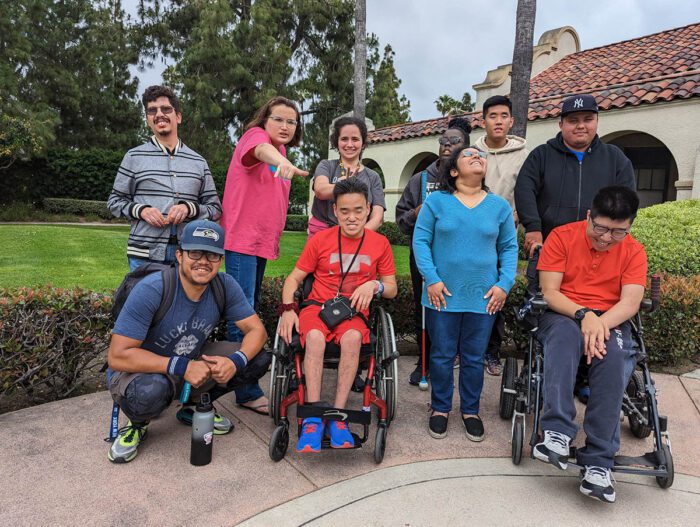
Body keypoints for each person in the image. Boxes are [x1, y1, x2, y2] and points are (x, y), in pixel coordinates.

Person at [106, 220, 270, 463]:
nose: (203, 261)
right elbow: (118, 355)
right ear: (180, 255)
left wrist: (236, 361)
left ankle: (193, 407)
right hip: (141, 371)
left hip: (191, 360)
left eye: (212, 255)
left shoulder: (224, 286)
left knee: (258, 357)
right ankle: (137, 423)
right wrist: (183, 367)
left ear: (220, 260)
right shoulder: (154, 289)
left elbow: (257, 330)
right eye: (195, 252)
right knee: (149, 392)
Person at [514, 93, 636, 403]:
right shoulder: (542, 156)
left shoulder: (615, 159)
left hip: (600, 248)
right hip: (552, 249)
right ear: (561, 124)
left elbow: (625, 202)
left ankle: (586, 377)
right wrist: (534, 228)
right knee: (549, 314)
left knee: (597, 312)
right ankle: (547, 373)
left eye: (587, 119)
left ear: (596, 121)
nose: (580, 126)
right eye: (573, 120)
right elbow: (525, 189)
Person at [533, 186, 647, 504]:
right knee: (565, 338)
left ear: (630, 226)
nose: (607, 238)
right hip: (564, 312)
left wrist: (599, 322)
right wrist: (584, 315)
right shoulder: (561, 236)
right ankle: (556, 430)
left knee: (614, 357)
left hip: (610, 319)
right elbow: (550, 291)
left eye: (618, 232)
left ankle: (598, 461)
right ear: (589, 216)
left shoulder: (634, 251)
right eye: (600, 228)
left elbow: (631, 301)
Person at [278, 179, 397, 453]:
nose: (352, 217)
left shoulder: (380, 243)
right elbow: (294, 279)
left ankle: (339, 416)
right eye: (345, 211)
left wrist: (374, 284)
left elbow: (391, 289)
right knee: (316, 339)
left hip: (353, 312)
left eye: (358, 210)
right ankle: (313, 417)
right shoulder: (320, 240)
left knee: (354, 338)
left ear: (368, 209)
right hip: (317, 308)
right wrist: (287, 309)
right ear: (334, 211)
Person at [413, 145, 518, 442]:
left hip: (484, 296)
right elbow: (421, 242)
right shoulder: (437, 203)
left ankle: (470, 411)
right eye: (469, 155)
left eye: (480, 156)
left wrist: (504, 284)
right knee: (443, 354)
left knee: (473, 357)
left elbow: (509, 248)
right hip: (440, 294)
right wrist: (431, 279)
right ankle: (441, 408)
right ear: (454, 170)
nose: (478, 157)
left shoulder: (498, 207)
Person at [219, 96, 309, 414]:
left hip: (258, 245)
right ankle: (244, 388)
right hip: (242, 242)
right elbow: (260, 151)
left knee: (249, 307)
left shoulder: (282, 151)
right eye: (279, 119)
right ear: (265, 120)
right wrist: (279, 161)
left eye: (291, 121)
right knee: (241, 314)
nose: (285, 126)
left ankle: (236, 378)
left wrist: (281, 159)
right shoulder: (255, 138)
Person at [108, 85, 221, 271]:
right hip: (143, 255)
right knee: (146, 301)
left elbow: (215, 208)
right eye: (152, 111)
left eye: (166, 109)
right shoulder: (133, 157)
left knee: (182, 301)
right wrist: (141, 210)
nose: (159, 114)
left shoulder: (198, 162)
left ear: (178, 116)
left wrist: (189, 208)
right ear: (148, 120)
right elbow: (114, 202)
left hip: (187, 254)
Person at [395, 117, 472, 386]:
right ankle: (424, 361)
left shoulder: (470, 181)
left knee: (455, 310)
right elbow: (400, 220)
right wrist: (417, 213)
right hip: (424, 257)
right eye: (443, 141)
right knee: (424, 311)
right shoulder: (420, 180)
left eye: (454, 141)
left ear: (465, 147)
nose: (447, 145)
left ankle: (450, 358)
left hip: (460, 259)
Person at [475, 95, 529, 376]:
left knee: (496, 292)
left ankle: (491, 351)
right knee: (469, 290)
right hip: (471, 234)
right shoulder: (471, 152)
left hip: (503, 235)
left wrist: (514, 218)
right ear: (483, 121)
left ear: (511, 121)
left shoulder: (523, 155)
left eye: (503, 116)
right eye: (492, 116)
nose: (498, 121)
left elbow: (526, 192)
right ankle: (467, 349)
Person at [308, 116, 385, 237]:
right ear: (336, 142)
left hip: (358, 236)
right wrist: (343, 185)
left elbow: (378, 217)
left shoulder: (373, 177)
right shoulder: (326, 165)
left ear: (363, 143)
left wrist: (354, 235)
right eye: (344, 139)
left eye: (355, 139)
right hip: (321, 235)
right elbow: (320, 190)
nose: (349, 144)